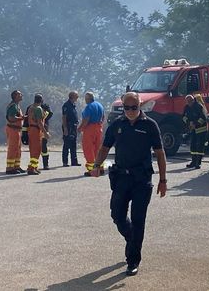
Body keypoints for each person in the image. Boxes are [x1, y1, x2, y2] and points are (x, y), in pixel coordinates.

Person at [90, 91, 167, 277]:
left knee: (138, 220)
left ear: (140, 105)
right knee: (117, 215)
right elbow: (104, 148)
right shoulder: (117, 125)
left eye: (134, 107)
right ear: (122, 107)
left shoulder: (150, 125)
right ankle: (132, 239)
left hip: (142, 180)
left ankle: (133, 260)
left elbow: (160, 153)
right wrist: (96, 165)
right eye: (127, 107)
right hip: (121, 179)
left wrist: (163, 180)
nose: (131, 111)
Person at [79, 91, 105, 176]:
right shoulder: (100, 105)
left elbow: (86, 119)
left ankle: (91, 170)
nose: (85, 100)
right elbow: (103, 117)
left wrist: (80, 128)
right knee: (97, 148)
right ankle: (100, 168)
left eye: (85, 98)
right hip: (99, 127)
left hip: (90, 129)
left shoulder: (88, 107)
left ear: (88, 99)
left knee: (88, 148)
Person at [183, 94, 208, 169]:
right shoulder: (187, 107)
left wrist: (196, 124)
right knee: (193, 145)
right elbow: (183, 116)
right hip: (192, 129)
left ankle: (198, 163)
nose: (188, 103)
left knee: (200, 145)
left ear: (193, 100)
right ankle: (193, 162)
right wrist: (188, 122)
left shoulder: (199, 106)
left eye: (190, 101)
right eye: (187, 102)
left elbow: (203, 117)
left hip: (201, 129)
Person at [25, 94, 49, 175]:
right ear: (41, 100)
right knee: (37, 149)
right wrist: (45, 132)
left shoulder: (31, 108)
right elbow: (39, 122)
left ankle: (34, 167)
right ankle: (31, 168)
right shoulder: (38, 108)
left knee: (33, 149)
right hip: (36, 129)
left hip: (31, 129)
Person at [5, 90, 25, 174]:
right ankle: (9, 168)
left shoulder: (17, 105)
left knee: (18, 149)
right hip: (13, 129)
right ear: (16, 96)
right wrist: (22, 118)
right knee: (13, 148)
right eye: (20, 94)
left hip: (17, 129)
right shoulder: (13, 106)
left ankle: (16, 166)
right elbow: (11, 118)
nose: (22, 95)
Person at [61, 91, 81, 167]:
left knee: (73, 144)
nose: (77, 97)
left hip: (74, 127)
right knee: (67, 144)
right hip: (68, 127)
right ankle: (65, 162)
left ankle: (74, 161)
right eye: (76, 96)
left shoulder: (73, 105)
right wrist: (65, 128)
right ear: (72, 96)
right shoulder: (66, 105)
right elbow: (64, 117)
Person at [40, 102, 53, 170]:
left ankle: (45, 164)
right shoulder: (32, 107)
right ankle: (34, 165)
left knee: (44, 146)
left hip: (44, 128)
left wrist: (44, 119)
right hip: (35, 129)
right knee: (36, 147)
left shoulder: (45, 106)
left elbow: (50, 113)